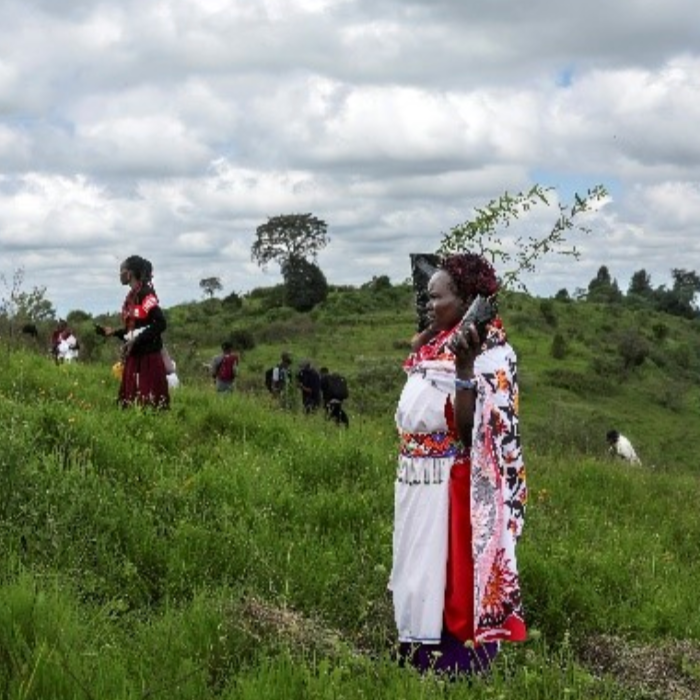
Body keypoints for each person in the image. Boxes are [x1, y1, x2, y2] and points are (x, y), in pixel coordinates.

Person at [389, 252, 527, 677]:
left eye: (438, 298)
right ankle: (415, 647)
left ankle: (455, 662)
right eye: (428, 298)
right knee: (414, 567)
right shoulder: (435, 344)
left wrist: (465, 368)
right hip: (415, 479)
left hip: (451, 483)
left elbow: (474, 433)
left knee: (445, 571)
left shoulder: (491, 356)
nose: (430, 306)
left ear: (467, 298)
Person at [97, 256, 170, 409]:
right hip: (135, 355)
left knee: (149, 402)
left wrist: (138, 339)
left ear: (129, 274)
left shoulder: (145, 293)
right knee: (132, 401)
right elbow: (135, 329)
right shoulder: (131, 297)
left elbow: (160, 323)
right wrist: (114, 332)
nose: (120, 275)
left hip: (148, 356)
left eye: (121, 272)